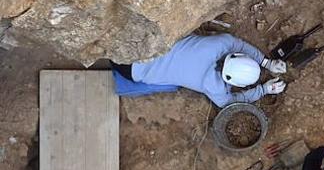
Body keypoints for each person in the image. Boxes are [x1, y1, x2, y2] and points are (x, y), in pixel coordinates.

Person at [112, 33, 287, 107]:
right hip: (131, 71)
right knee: (172, 86)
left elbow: (240, 45)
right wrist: (263, 90)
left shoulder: (221, 43)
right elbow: (229, 103)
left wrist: (266, 62)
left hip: (138, 44)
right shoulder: (213, 86)